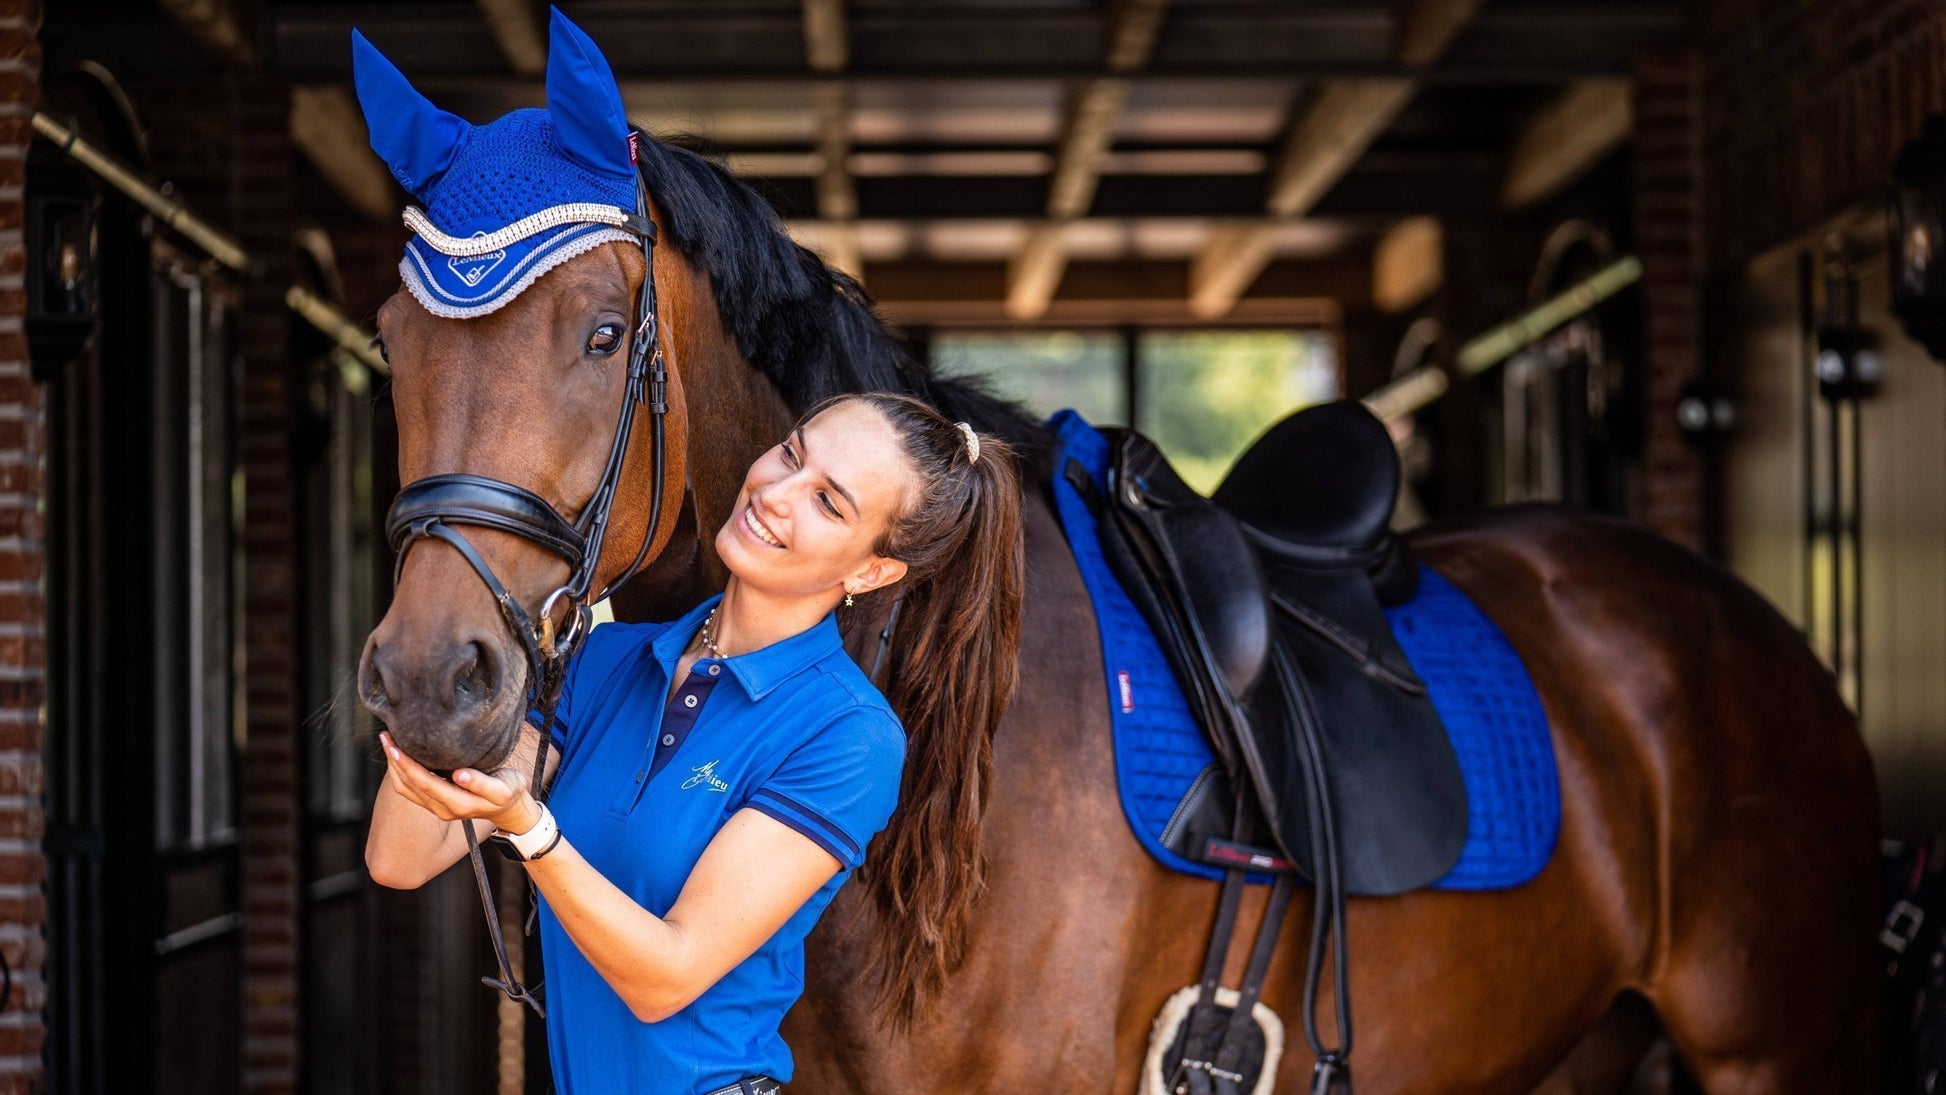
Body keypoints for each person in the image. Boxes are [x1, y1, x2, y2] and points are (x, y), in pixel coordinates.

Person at [364, 392, 1024, 1095]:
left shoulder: (847, 735)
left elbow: (666, 975)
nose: (775, 491)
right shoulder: (608, 657)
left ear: (871, 571)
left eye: (829, 503)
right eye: (792, 454)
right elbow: (400, 856)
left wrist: (532, 832)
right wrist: (440, 633)